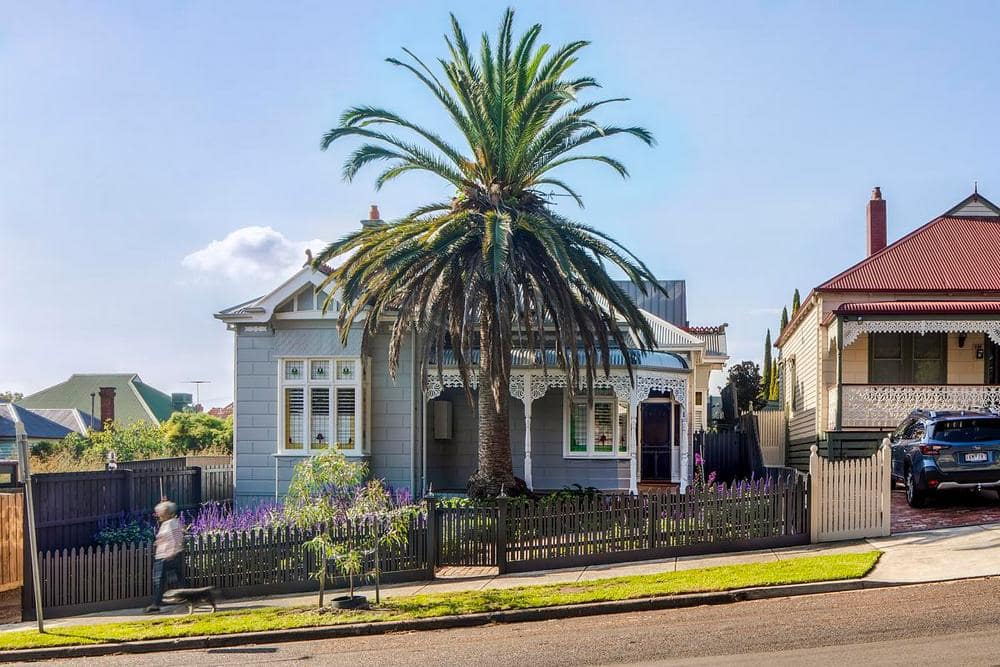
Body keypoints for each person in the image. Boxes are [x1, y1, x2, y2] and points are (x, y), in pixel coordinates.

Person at [145, 500, 183, 613]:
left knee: (159, 580)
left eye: (159, 512)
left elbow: (177, 539)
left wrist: (172, 552)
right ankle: (159, 601)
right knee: (175, 578)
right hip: (164, 555)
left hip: (166, 556)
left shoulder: (172, 523)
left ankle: (156, 603)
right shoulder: (167, 523)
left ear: (166, 513)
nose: (157, 515)